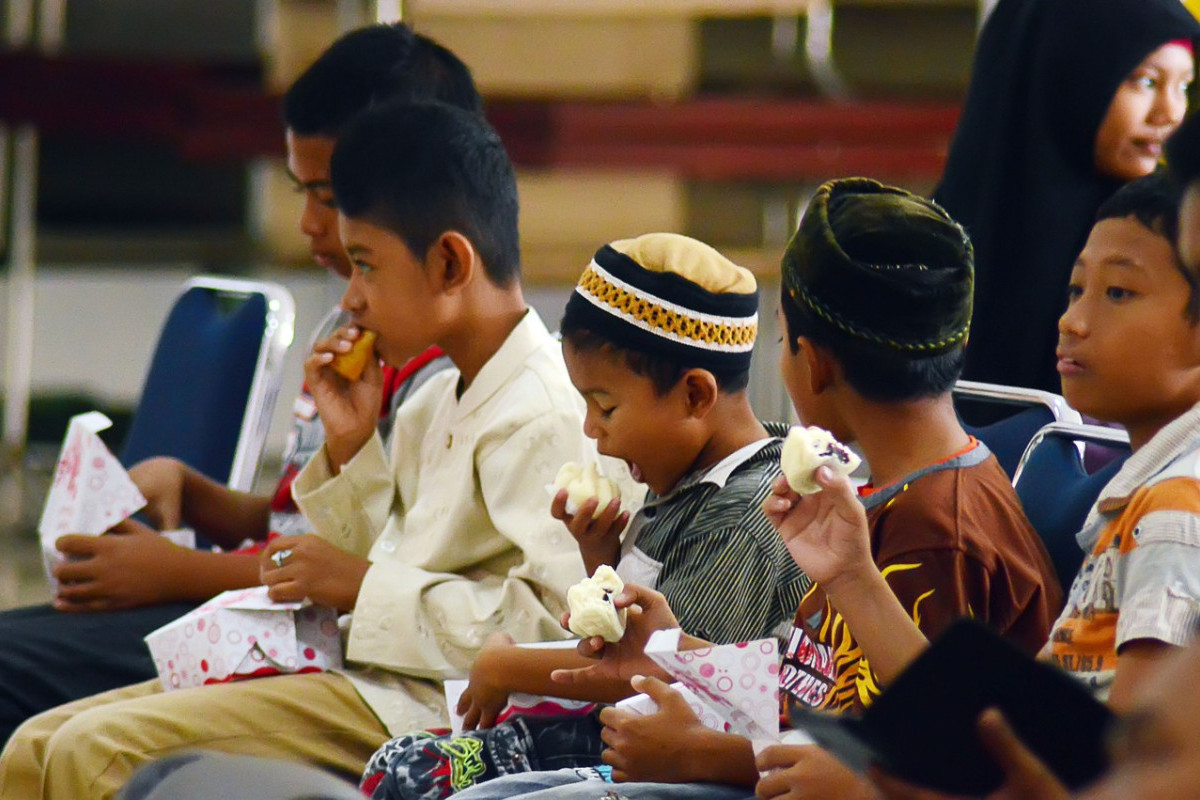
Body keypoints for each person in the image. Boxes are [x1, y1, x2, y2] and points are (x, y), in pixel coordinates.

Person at [0, 101, 627, 800]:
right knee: (35, 745)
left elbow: (545, 632)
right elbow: (357, 564)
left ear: (450, 261)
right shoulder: (434, 399)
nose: (352, 299)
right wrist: (352, 446)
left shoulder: (540, 410)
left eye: (366, 266)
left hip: (434, 710)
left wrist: (363, 586)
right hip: (362, 674)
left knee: (97, 750)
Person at [442, 177, 1062, 800]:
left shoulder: (937, 531)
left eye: (781, 337)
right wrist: (675, 650)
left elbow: (926, 758)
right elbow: (811, 686)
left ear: (813, 359)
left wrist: (709, 755)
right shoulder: (878, 499)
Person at [0, 21, 469, 747]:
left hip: (297, 639)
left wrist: (179, 572)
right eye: (301, 191)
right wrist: (205, 500)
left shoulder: (437, 362)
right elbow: (310, 519)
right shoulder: (350, 326)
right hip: (251, 602)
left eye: (329, 197)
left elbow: (364, 571)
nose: (312, 225)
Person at [791, 171, 1200, 800]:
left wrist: (868, 791)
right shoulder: (1143, 497)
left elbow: (1124, 776)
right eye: (1076, 288)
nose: (1073, 321)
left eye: (1118, 292)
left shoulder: (1175, 511)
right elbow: (999, 736)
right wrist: (849, 574)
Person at [360, 233, 812, 799]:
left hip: (672, 767)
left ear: (696, 396)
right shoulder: (690, 476)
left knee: (413, 777)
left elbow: (660, 679)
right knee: (403, 762)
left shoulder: (742, 517)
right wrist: (600, 558)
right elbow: (637, 642)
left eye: (606, 406)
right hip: (613, 738)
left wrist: (508, 667)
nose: (590, 430)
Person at [934, 0, 1198, 393]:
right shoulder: (926, 251)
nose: (1171, 112)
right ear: (1062, 77)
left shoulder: (1176, 237)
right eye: (1146, 82)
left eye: (1184, 87)